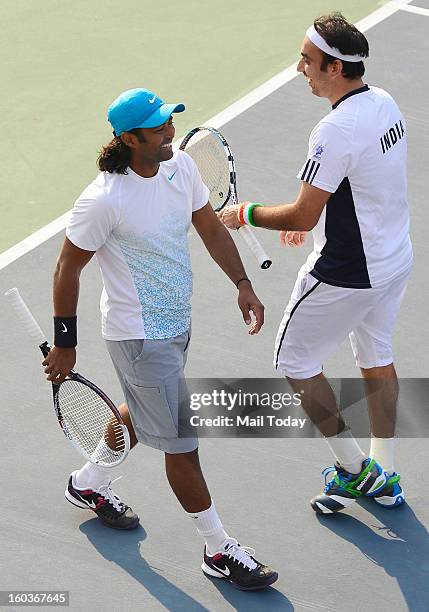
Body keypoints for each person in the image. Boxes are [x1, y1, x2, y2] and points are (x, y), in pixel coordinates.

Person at [42, 88, 278, 590]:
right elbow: (68, 267)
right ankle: (219, 549)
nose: (169, 131)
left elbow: (210, 228)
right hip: (138, 336)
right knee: (182, 444)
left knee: (139, 408)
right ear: (128, 139)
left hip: (176, 327)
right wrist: (66, 342)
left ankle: (88, 483)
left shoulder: (181, 168)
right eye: (157, 128)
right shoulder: (104, 199)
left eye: (169, 122)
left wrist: (243, 284)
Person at [219, 13, 412, 514]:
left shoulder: (333, 130)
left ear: (334, 68)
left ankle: (351, 471)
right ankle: (384, 471)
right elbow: (359, 186)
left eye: (307, 60)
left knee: (294, 362)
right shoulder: (384, 102)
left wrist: (244, 214)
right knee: (376, 356)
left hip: (347, 273)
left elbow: (303, 212)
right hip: (394, 259)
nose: (298, 67)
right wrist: (313, 217)